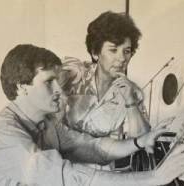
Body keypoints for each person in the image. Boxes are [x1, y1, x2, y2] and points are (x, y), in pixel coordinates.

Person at [0, 44, 184, 186]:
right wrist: (154, 177)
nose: (59, 90)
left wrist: (139, 141)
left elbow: (93, 147)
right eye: (48, 82)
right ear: (21, 87)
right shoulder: (3, 137)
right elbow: (70, 177)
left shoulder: (47, 123)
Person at [62, 11, 155, 170]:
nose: (122, 59)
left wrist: (131, 103)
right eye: (113, 50)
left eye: (126, 51)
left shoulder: (132, 92)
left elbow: (143, 142)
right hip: (62, 168)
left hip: (101, 174)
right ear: (95, 52)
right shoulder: (75, 73)